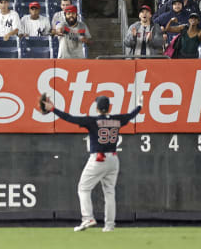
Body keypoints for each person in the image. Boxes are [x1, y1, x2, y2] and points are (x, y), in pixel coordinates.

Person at [40, 94, 143, 232]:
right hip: (113, 159)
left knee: (83, 188)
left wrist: (53, 109)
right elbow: (131, 115)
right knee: (109, 192)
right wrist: (140, 106)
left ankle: (88, 218)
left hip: (98, 159)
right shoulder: (118, 119)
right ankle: (109, 225)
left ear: (97, 108)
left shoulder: (92, 121)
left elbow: (70, 118)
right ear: (109, 107)